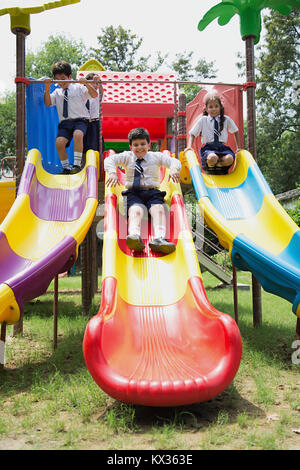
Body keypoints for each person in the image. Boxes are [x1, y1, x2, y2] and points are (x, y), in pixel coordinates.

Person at [104, 128, 181, 254]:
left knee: (159, 209)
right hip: (134, 193)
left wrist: (173, 169)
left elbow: (174, 161)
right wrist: (112, 173)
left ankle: (159, 238)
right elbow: (109, 160)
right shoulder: (127, 157)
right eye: (135, 145)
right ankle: (134, 236)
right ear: (130, 146)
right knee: (136, 210)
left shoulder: (155, 157)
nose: (139, 147)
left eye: (143, 144)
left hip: (153, 192)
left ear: (149, 144)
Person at [44, 61, 98, 174]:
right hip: (65, 123)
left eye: (63, 79)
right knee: (59, 143)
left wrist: (87, 84)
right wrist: (47, 88)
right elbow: (48, 103)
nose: (60, 82)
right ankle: (66, 168)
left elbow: (94, 95)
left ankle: (77, 165)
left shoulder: (78, 88)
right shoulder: (57, 92)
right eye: (57, 79)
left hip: (80, 120)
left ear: (70, 77)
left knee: (78, 135)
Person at [186, 94, 241, 174]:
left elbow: (235, 131)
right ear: (206, 109)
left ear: (220, 107)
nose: (214, 109)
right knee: (212, 157)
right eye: (211, 107)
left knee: (229, 159)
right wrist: (189, 147)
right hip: (209, 148)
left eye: (216, 106)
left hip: (222, 148)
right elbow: (193, 133)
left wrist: (238, 148)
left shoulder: (226, 119)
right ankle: (211, 165)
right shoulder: (203, 120)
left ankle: (219, 164)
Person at [83, 72, 105, 159]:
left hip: (95, 122)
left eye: (97, 83)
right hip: (84, 122)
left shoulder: (98, 93)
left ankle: (99, 165)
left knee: (98, 146)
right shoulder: (82, 93)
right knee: (85, 146)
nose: (95, 85)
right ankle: (83, 165)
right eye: (94, 83)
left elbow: (101, 92)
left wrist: (99, 83)